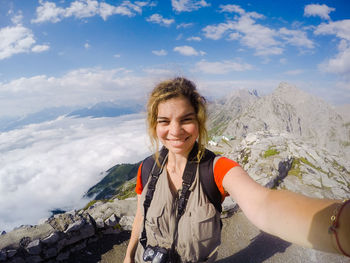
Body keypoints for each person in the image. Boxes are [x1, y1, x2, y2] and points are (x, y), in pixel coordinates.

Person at [123, 77, 350, 263]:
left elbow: (264, 205)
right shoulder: (148, 168)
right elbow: (142, 212)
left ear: (199, 122)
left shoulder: (216, 169)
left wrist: (341, 225)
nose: (175, 130)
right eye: (164, 121)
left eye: (186, 119)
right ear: (155, 125)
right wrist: (129, 254)